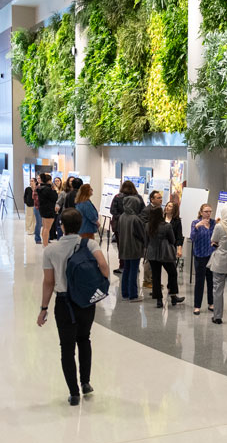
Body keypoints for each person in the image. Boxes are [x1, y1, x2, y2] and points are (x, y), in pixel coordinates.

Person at [37, 208, 109, 405]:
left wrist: (43, 308)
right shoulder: (90, 244)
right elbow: (104, 266)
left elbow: (49, 282)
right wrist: (102, 283)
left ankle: (74, 392)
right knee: (84, 339)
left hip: (64, 302)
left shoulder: (50, 250)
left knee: (66, 347)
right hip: (85, 301)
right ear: (80, 225)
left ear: (62, 226)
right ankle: (86, 382)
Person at [145, 204, 184, 308]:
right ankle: (173, 296)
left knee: (156, 276)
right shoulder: (167, 226)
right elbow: (173, 240)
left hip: (152, 253)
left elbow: (146, 240)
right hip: (165, 253)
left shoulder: (148, 225)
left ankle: (158, 300)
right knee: (172, 273)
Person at [117, 195, 148, 301]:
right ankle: (133, 295)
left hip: (124, 247)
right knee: (133, 271)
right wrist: (145, 244)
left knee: (126, 270)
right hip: (134, 248)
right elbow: (141, 234)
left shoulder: (122, 216)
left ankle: (125, 293)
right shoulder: (135, 219)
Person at [190, 204, 215, 315]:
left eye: (210, 211)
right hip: (200, 256)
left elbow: (217, 236)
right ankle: (197, 306)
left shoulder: (214, 223)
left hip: (211, 256)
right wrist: (197, 227)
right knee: (200, 282)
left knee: (211, 281)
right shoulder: (195, 223)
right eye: (206, 211)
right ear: (201, 212)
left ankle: (211, 303)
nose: (208, 213)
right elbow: (192, 238)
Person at [36, 173, 58, 246]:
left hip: (43, 209)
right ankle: (45, 245)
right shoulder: (48, 189)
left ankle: (44, 244)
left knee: (45, 227)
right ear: (49, 181)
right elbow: (55, 198)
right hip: (49, 210)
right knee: (47, 228)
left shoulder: (40, 188)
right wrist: (54, 190)